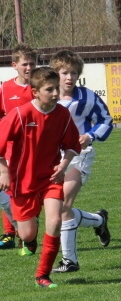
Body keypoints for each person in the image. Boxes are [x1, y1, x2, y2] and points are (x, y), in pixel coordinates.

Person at [0, 67, 81, 288]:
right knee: (27, 236)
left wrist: (63, 165)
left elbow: (73, 145)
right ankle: (29, 234)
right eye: (49, 89)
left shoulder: (62, 114)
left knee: (54, 221)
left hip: (50, 178)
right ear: (35, 92)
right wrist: (4, 170)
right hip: (23, 181)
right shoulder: (20, 114)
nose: (56, 93)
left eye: (57, 88)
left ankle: (42, 275)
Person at [48, 50, 112, 274]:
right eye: (64, 72)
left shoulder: (87, 97)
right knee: (57, 210)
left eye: (73, 73)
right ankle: (98, 221)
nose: (69, 77)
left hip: (79, 156)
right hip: (52, 159)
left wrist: (90, 136)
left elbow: (106, 119)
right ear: (55, 73)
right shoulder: (46, 98)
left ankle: (70, 261)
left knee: (64, 204)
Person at [0, 44, 38, 249]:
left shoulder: (40, 87)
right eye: (25, 64)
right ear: (14, 65)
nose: (29, 67)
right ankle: (9, 233)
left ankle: (28, 229)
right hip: (10, 148)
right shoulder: (5, 88)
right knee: (6, 189)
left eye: (33, 63)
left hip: (35, 149)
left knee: (31, 190)